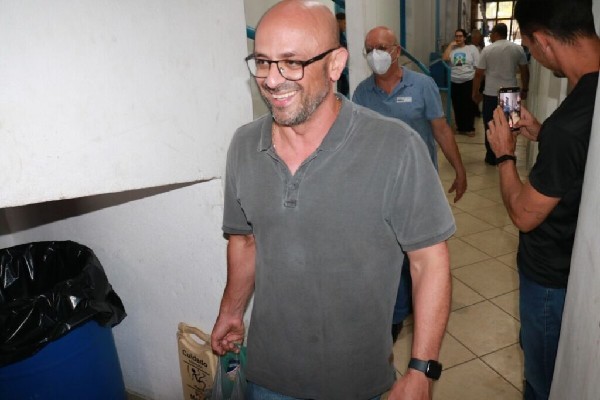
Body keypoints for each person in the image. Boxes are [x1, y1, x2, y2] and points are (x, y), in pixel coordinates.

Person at [211, 2, 455, 399]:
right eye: (263, 62)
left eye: (291, 63)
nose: (271, 80)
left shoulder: (396, 147)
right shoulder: (244, 145)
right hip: (268, 377)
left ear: (335, 64)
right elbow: (244, 240)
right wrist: (232, 312)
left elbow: (429, 261)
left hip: (358, 383)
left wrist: (421, 369)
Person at [486, 0, 599, 398]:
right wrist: (542, 132)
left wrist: (504, 155)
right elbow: (577, 161)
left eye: (530, 46)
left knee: (544, 380)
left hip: (552, 276)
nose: (532, 55)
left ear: (544, 40)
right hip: (573, 267)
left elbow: (524, 214)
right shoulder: (588, 96)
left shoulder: (572, 123)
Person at [352, 26, 466, 343]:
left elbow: (441, 130)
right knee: (391, 253)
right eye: (369, 49)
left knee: (422, 251)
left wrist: (459, 169)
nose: (375, 55)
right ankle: (397, 313)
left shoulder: (422, 85)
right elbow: (358, 140)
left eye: (381, 47)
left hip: (420, 184)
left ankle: (421, 302)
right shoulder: (362, 93)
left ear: (397, 51)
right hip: (381, 187)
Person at [472, 23, 529, 165]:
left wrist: (476, 92)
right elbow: (524, 71)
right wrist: (525, 89)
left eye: (491, 33)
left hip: (491, 93)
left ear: (496, 34)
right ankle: (509, 156)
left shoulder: (487, 50)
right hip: (511, 93)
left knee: (490, 125)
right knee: (511, 127)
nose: (490, 36)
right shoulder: (517, 49)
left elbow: (478, 74)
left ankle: (491, 157)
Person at [443, 28, 480, 136]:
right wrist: (451, 45)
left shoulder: (471, 48)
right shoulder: (452, 50)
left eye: (460, 36)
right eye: (456, 36)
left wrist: (477, 82)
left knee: (468, 105)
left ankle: (469, 128)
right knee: (457, 105)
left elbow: (477, 65)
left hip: (468, 80)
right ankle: (460, 127)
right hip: (454, 81)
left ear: (464, 38)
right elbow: (445, 58)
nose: (458, 38)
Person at [336, 12, 350, 97]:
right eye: (344, 23)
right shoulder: (334, 36)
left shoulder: (342, 35)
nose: (345, 25)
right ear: (338, 22)